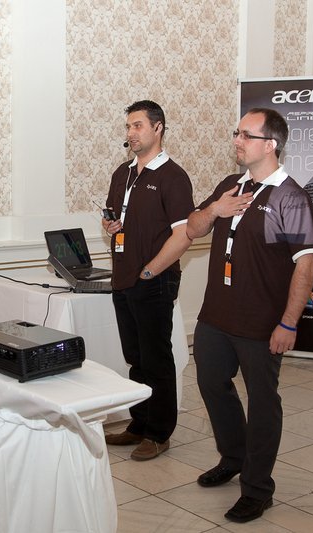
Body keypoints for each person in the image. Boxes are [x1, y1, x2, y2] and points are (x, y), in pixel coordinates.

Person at [186, 108, 313, 523]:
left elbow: (306, 264)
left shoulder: (290, 197)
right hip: (215, 316)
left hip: (261, 323)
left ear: (270, 144)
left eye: (246, 135)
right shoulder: (231, 185)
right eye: (236, 133)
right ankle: (233, 457)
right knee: (211, 383)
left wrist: (289, 322)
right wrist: (215, 210)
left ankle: (258, 489)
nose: (237, 141)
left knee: (262, 401)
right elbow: (192, 228)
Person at [102, 100, 194, 461]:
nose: (131, 133)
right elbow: (117, 221)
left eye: (138, 126)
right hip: (124, 277)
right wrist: (111, 225)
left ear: (158, 128)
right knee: (136, 358)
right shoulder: (122, 173)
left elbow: (183, 235)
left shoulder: (173, 176)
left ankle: (158, 433)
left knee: (157, 360)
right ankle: (139, 424)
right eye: (128, 127)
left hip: (154, 279)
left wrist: (149, 271)